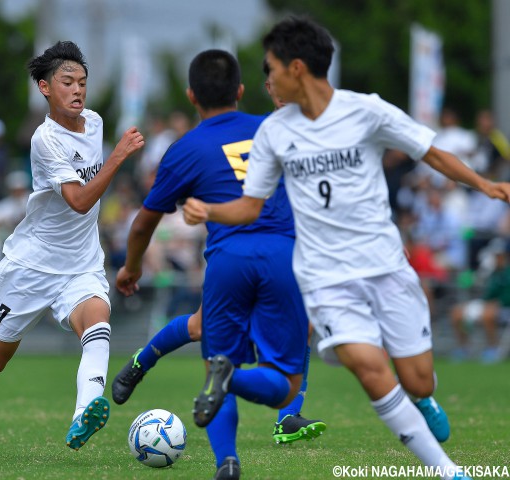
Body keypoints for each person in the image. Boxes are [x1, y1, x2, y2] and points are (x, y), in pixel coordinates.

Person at [182, 16, 510, 480]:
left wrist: (485, 184)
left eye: (271, 67)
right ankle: (449, 473)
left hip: (385, 267)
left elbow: (430, 151)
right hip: (326, 279)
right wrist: (209, 212)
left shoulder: (366, 111)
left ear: (297, 68)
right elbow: (250, 207)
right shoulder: (274, 133)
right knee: (370, 369)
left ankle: (424, 395)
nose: (267, 79)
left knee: (417, 378)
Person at [0, 41, 145, 451]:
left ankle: (83, 415)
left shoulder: (93, 122)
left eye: (83, 83)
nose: (78, 90)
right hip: (32, 265)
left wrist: (113, 154)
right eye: (67, 82)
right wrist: (118, 157)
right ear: (44, 87)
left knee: (98, 324)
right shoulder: (45, 140)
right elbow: (78, 201)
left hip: (82, 262)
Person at [113, 49, 321, 479]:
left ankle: (227, 461)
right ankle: (146, 364)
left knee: (209, 342)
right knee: (280, 381)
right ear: (242, 90)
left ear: (191, 95)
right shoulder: (271, 129)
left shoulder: (185, 148)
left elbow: (142, 224)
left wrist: (131, 267)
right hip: (283, 255)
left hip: (229, 261)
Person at [451, 237, 510, 363]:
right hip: (487, 304)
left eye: (499, 255)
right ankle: (463, 348)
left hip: (504, 308)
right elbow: (484, 292)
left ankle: (493, 349)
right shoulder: (492, 271)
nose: (496, 258)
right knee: (457, 312)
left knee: (488, 313)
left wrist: (498, 303)